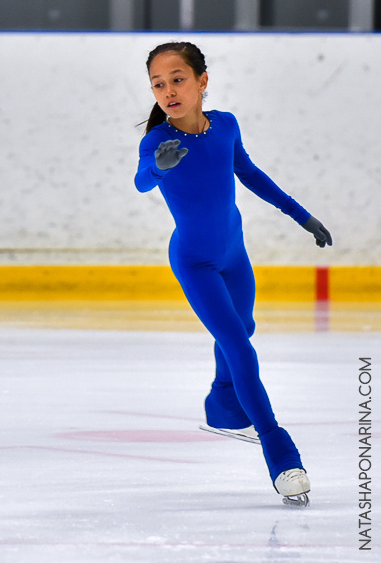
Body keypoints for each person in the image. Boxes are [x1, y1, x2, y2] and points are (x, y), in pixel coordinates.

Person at [134, 41, 331, 507]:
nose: (168, 91)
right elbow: (142, 179)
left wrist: (300, 215)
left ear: (202, 81)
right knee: (240, 346)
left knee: (242, 329)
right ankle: (281, 454)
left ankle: (221, 406)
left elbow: (249, 172)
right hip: (195, 261)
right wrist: (158, 169)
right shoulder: (158, 142)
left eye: (177, 79)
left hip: (234, 254)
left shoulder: (225, 125)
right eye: (158, 84)